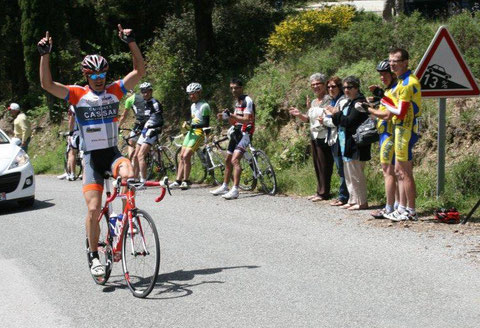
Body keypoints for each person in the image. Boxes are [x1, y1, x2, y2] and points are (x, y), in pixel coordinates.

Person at [37, 25, 145, 277]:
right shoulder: (77, 94)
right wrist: (45, 55)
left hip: (112, 153)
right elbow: (46, 84)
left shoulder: (115, 91)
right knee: (94, 209)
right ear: (86, 75)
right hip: (91, 159)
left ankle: (129, 217)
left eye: (102, 74)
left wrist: (131, 42)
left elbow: (139, 71)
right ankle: (94, 253)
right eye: (93, 74)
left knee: (128, 170)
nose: (98, 78)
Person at [381, 48, 422, 221]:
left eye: (396, 61)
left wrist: (383, 101)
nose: (392, 64)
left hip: (406, 128)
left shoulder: (407, 83)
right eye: (390, 61)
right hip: (399, 128)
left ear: (405, 62)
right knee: (398, 170)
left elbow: (401, 111)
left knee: (405, 171)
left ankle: (411, 210)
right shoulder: (400, 81)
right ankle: (402, 207)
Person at [289, 73, 334, 202]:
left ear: (324, 84)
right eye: (313, 84)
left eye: (318, 84)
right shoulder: (314, 101)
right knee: (317, 164)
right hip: (314, 135)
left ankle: (324, 193)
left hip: (326, 135)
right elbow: (308, 119)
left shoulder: (329, 99)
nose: (315, 87)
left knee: (325, 164)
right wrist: (299, 114)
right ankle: (319, 191)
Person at [328, 76, 371, 210]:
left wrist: (336, 113)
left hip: (356, 145)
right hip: (346, 143)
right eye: (344, 87)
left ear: (356, 88)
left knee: (356, 174)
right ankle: (353, 200)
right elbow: (339, 121)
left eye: (349, 87)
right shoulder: (348, 102)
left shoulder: (359, 103)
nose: (346, 90)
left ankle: (361, 202)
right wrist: (336, 115)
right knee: (349, 174)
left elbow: (349, 122)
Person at [366, 60, 400, 219]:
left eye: (385, 74)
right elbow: (387, 104)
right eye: (380, 74)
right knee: (394, 171)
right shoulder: (391, 89)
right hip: (386, 134)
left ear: (393, 74)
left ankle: (389, 207)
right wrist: (379, 95)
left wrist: (368, 109)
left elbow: (387, 114)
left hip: (389, 134)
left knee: (388, 172)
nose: (382, 77)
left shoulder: (394, 89)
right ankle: (398, 206)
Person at [210, 78, 255, 200]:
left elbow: (247, 119)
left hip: (246, 132)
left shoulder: (247, 100)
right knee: (228, 160)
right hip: (236, 132)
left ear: (241, 88)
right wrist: (225, 117)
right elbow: (234, 120)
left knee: (235, 160)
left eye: (236, 88)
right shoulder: (237, 102)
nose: (233, 90)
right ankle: (225, 186)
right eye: (231, 88)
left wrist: (232, 116)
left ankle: (235, 189)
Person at [170, 82, 211, 190]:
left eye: (193, 94)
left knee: (187, 156)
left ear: (199, 93)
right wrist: (188, 122)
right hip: (191, 132)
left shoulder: (205, 106)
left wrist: (192, 124)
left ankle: (186, 181)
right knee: (181, 155)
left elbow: (206, 124)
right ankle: (178, 180)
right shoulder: (193, 105)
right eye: (189, 94)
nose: (191, 96)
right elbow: (195, 119)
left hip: (199, 133)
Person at [324, 76, 349, 206]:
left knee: (342, 168)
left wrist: (324, 120)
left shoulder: (342, 101)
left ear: (339, 87)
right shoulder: (333, 101)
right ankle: (344, 195)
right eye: (328, 87)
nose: (330, 89)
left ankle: (343, 196)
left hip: (341, 138)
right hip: (333, 138)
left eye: (333, 86)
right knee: (340, 169)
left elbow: (339, 121)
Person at [134, 82, 164, 182]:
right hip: (145, 131)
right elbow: (144, 119)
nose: (145, 94)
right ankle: (134, 178)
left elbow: (160, 121)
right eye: (143, 92)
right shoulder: (143, 103)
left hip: (152, 131)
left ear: (151, 91)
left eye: (147, 92)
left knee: (141, 155)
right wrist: (138, 127)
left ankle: (143, 180)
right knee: (135, 155)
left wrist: (155, 129)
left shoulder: (155, 103)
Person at [118, 89, 146, 173]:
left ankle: (132, 164)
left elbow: (124, 116)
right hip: (150, 122)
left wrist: (118, 126)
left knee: (131, 143)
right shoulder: (143, 96)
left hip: (140, 123)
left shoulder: (129, 100)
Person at [58, 105, 81, 181]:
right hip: (86, 132)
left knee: (72, 153)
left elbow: (71, 120)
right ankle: (85, 174)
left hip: (76, 133)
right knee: (85, 154)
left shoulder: (73, 107)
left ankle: (72, 174)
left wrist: (70, 132)